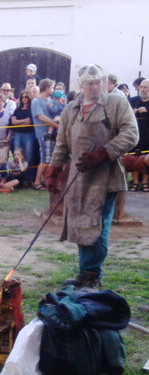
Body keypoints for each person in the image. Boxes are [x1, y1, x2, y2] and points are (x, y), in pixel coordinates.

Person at [44, 64, 138, 289]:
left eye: (97, 82)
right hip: (79, 178)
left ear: (104, 83)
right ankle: (85, 273)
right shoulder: (71, 109)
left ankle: (93, 275)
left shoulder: (117, 103)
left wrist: (104, 152)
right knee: (81, 225)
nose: (94, 87)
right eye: (89, 83)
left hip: (106, 178)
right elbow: (62, 144)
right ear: (80, 84)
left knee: (97, 226)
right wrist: (54, 169)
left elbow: (131, 134)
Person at [32, 78, 62, 190]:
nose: (53, 90)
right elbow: (41, 117)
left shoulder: (51, 102)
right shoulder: (36, 101)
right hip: (43, 134)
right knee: (45, 159)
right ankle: (36, 181)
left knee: (50, 158)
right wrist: (57, 125)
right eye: (52, 87)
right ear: (47, 88)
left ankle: (47, 180)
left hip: (53, 133)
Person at [9, 91, 37, 184]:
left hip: (29, 134)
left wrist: (18, 121)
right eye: (22, 97)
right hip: (18, 134)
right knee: (17, 154)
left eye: (26, 97)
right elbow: (12, 122)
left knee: (28, 155)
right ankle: (18, 176)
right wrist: (24, 121)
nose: (24, 99)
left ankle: (28, 177)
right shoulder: (18, 109)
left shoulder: (32, 109)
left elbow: (30, 121)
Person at [129, 79, 149, 191]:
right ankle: (135, 182)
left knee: (147, 159)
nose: (142, 89)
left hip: (147, 135)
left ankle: (145, 181)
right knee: (134, 158)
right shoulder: (134, 101)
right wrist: (133, 110)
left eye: (145, 87)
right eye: (141, 87)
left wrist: (146, 109)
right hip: (136, 135)